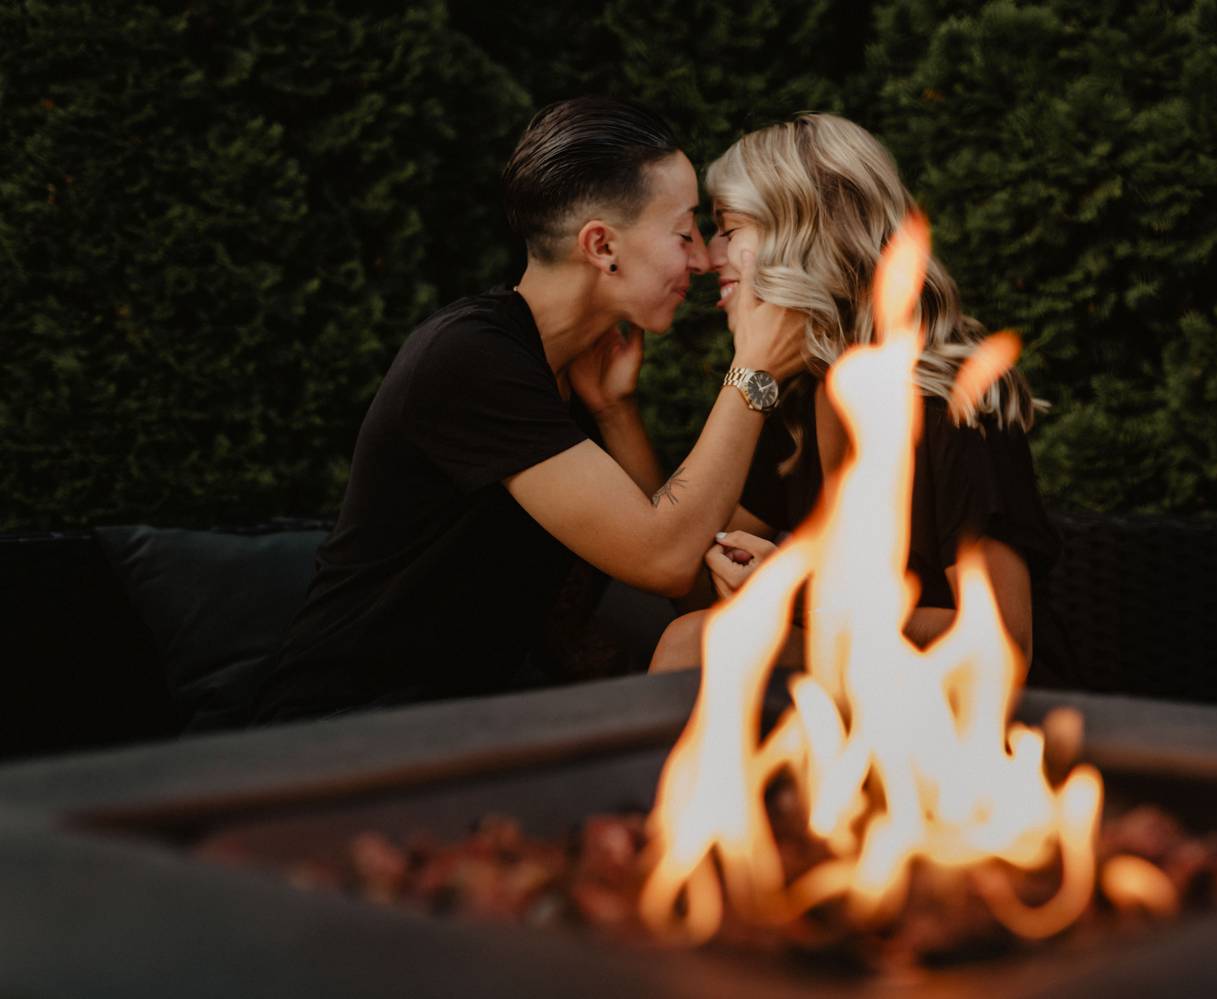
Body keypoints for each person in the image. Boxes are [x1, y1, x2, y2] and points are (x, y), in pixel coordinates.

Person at [249, 97, 803, 722]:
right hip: (339, 735)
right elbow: (667, 560)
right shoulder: (470, 359)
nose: (703, 259)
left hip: (457, 727)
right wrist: (753, 372)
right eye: (685, 232)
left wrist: (617, 412)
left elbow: (666, 559)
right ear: (602, 246)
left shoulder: (572, 375)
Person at [649, 113, 1070, 685]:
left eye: (728, 228)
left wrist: (800, 598)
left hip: (985, 733)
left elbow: (1004, 643)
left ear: (800, 236)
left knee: (697, 643)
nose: (708, 256)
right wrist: (612, 410)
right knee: (693, 636)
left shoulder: (952, 408)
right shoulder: (798, 401)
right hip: (863, 701)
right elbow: (677, 571)